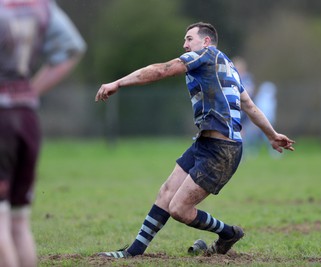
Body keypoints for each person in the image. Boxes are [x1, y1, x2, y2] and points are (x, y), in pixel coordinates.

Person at [95, 22, 294, 258]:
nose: (185, 44)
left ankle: (229, 233)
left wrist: (118, 82)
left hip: (223, 149)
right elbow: (248, 104)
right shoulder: (226, 64)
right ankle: (133, 252)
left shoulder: (206, 55)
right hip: (205, 143)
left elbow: (161, 70)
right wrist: (272, 135)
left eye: (189, 39)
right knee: (166, 193)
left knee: (179, 208)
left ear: (206, 41)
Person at [0, 1, 86, 266]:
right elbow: (73, 48)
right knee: (19, 222)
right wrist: (31, 92)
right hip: (27, 118)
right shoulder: (41, 7)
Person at [242, 81, 281, 158]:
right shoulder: (262, 99)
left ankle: (273, 150)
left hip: (267, 121)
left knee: (266, 137)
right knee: (256, 136)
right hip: (260, 122)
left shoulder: (271, 100)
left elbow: (271, 112)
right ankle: (253, 150)